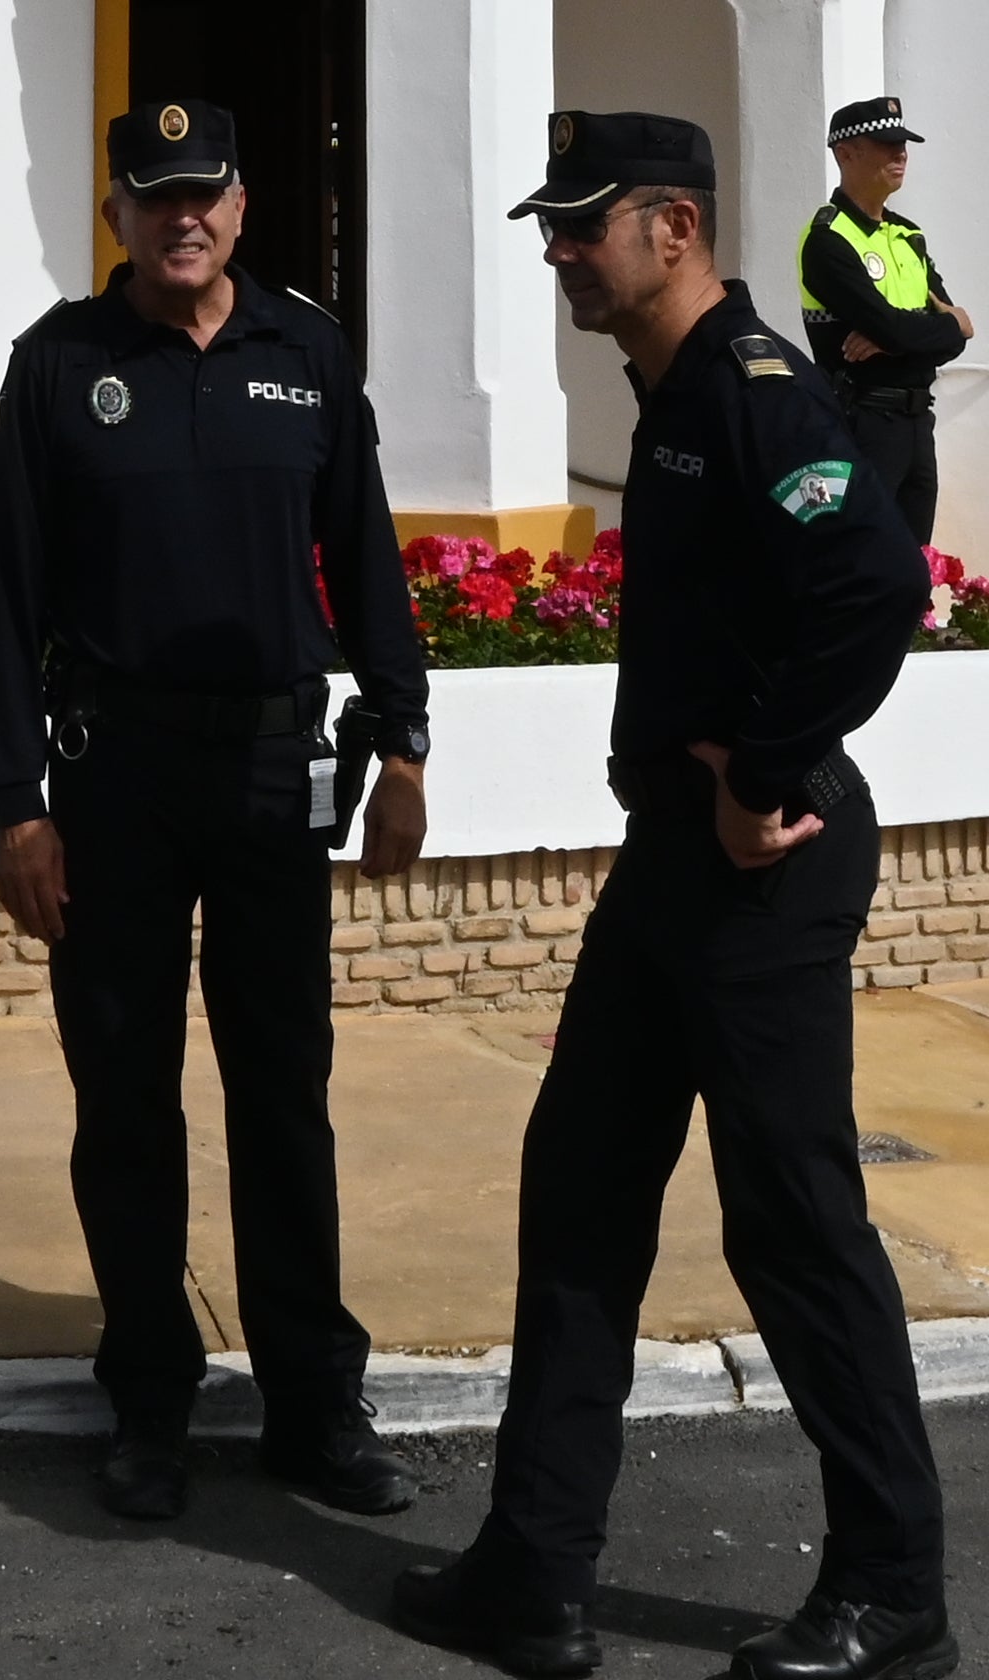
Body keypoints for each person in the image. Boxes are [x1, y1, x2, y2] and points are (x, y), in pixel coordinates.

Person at [400, 113, 946, 1680]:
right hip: (674, 866)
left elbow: (878, 583)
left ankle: (895, 1586)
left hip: (761, 865)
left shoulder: (755, 389)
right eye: (555, 226)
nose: (561, 250)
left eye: (586, 225)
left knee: (793, 1223)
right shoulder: (672, 397)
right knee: (579, 1185)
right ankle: (533, 1565)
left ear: (675, 229)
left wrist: (766, 768)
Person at [0, 99, 432, 1525]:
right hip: (113, 780)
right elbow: (9, 599)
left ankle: (309, 1401)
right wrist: (14, 803)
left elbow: (363, 553)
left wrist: (403, 740)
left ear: (241, 205)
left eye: (206, 193)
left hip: (272, 774)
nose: (184, 217)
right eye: (154, 196)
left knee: (283, 1090)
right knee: (125, 1096)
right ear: (117, 213)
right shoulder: (57, 367)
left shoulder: (307, 348)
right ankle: (151, 1398)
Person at [794, 95, 967, 553]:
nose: (900, 154)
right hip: (863, 417)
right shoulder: (829, 239)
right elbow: (936, 327)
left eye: (904, 145)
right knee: (860, 558)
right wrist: (937, 328)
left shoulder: (908, 235)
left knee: (914, 565)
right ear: (845, 153)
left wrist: (914, 334)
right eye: (886, 144)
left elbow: (957, 337)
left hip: (916, 420)